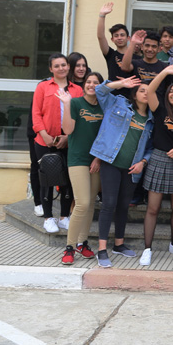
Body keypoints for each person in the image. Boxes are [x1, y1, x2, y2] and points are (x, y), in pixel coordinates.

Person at [91, 76, 154, 268]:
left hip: (132, 168)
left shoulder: (152, 119)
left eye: (148, 91)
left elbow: (152, 147)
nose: (145, 94)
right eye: (142, 90)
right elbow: (99, 91)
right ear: (134, 94)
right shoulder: (118, 103)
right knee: (108, 204)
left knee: (123, 206)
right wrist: (120, 84)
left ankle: (119, 244)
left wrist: (143, 162)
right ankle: (102, 249)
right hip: (111, 162)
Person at [140, 60, 173, 267]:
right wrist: (165, 72)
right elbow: (150, 90)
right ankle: (147, 249)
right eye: (171, 91)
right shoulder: (160, 109)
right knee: (153, 208)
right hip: (159, 159)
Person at [32, 53, 83, 233]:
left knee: (68, 180)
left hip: (69, 141)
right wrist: (44, 134)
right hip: (45, 141)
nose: (61, 68)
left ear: (68, 67)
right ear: (51, 69)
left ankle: (64, 217)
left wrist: (68, 137)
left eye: (64, 65)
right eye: (57, 66)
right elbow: (36, 113)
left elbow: (80, 116)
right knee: (47, 179)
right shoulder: (43, 87)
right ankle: (48, 218)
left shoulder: (77, 90)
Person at [57, 71, 104, 265]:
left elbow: (106, 136)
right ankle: (69, 246)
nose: (91, 85)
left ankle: (82, 243)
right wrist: (67, 104)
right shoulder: (75, 103)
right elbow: (68, 130)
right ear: (84, 85)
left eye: (96, 82)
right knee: (82, 203)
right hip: (77, 159)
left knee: (91, 203)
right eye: (88, 82)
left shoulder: (103, 106)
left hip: (96, 160)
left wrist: (98, 158)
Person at [96, 2, 130, 95]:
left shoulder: (136, 57)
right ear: (112, 39)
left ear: (128, 38)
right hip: (112, 98)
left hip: (131, 98)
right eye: (116, 35)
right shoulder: (110, 54)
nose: (119, 38)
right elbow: (100, 37)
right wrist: (102, 15)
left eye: (122, 35)